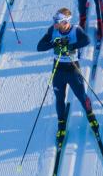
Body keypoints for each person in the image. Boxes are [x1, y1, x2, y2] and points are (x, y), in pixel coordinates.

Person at [37, 8, 97, 140]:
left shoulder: (76, 30)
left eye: (57, 21)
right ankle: (61, 123)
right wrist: (54, 43)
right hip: (58, 69)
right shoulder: (53, 31)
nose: (55, 24)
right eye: (54, 21)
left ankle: (91, 116)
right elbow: (39, 46)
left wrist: (69, 46)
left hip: (72, 68)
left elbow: (87, 40)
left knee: (81, 95)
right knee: (59, 98)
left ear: (65, 22)